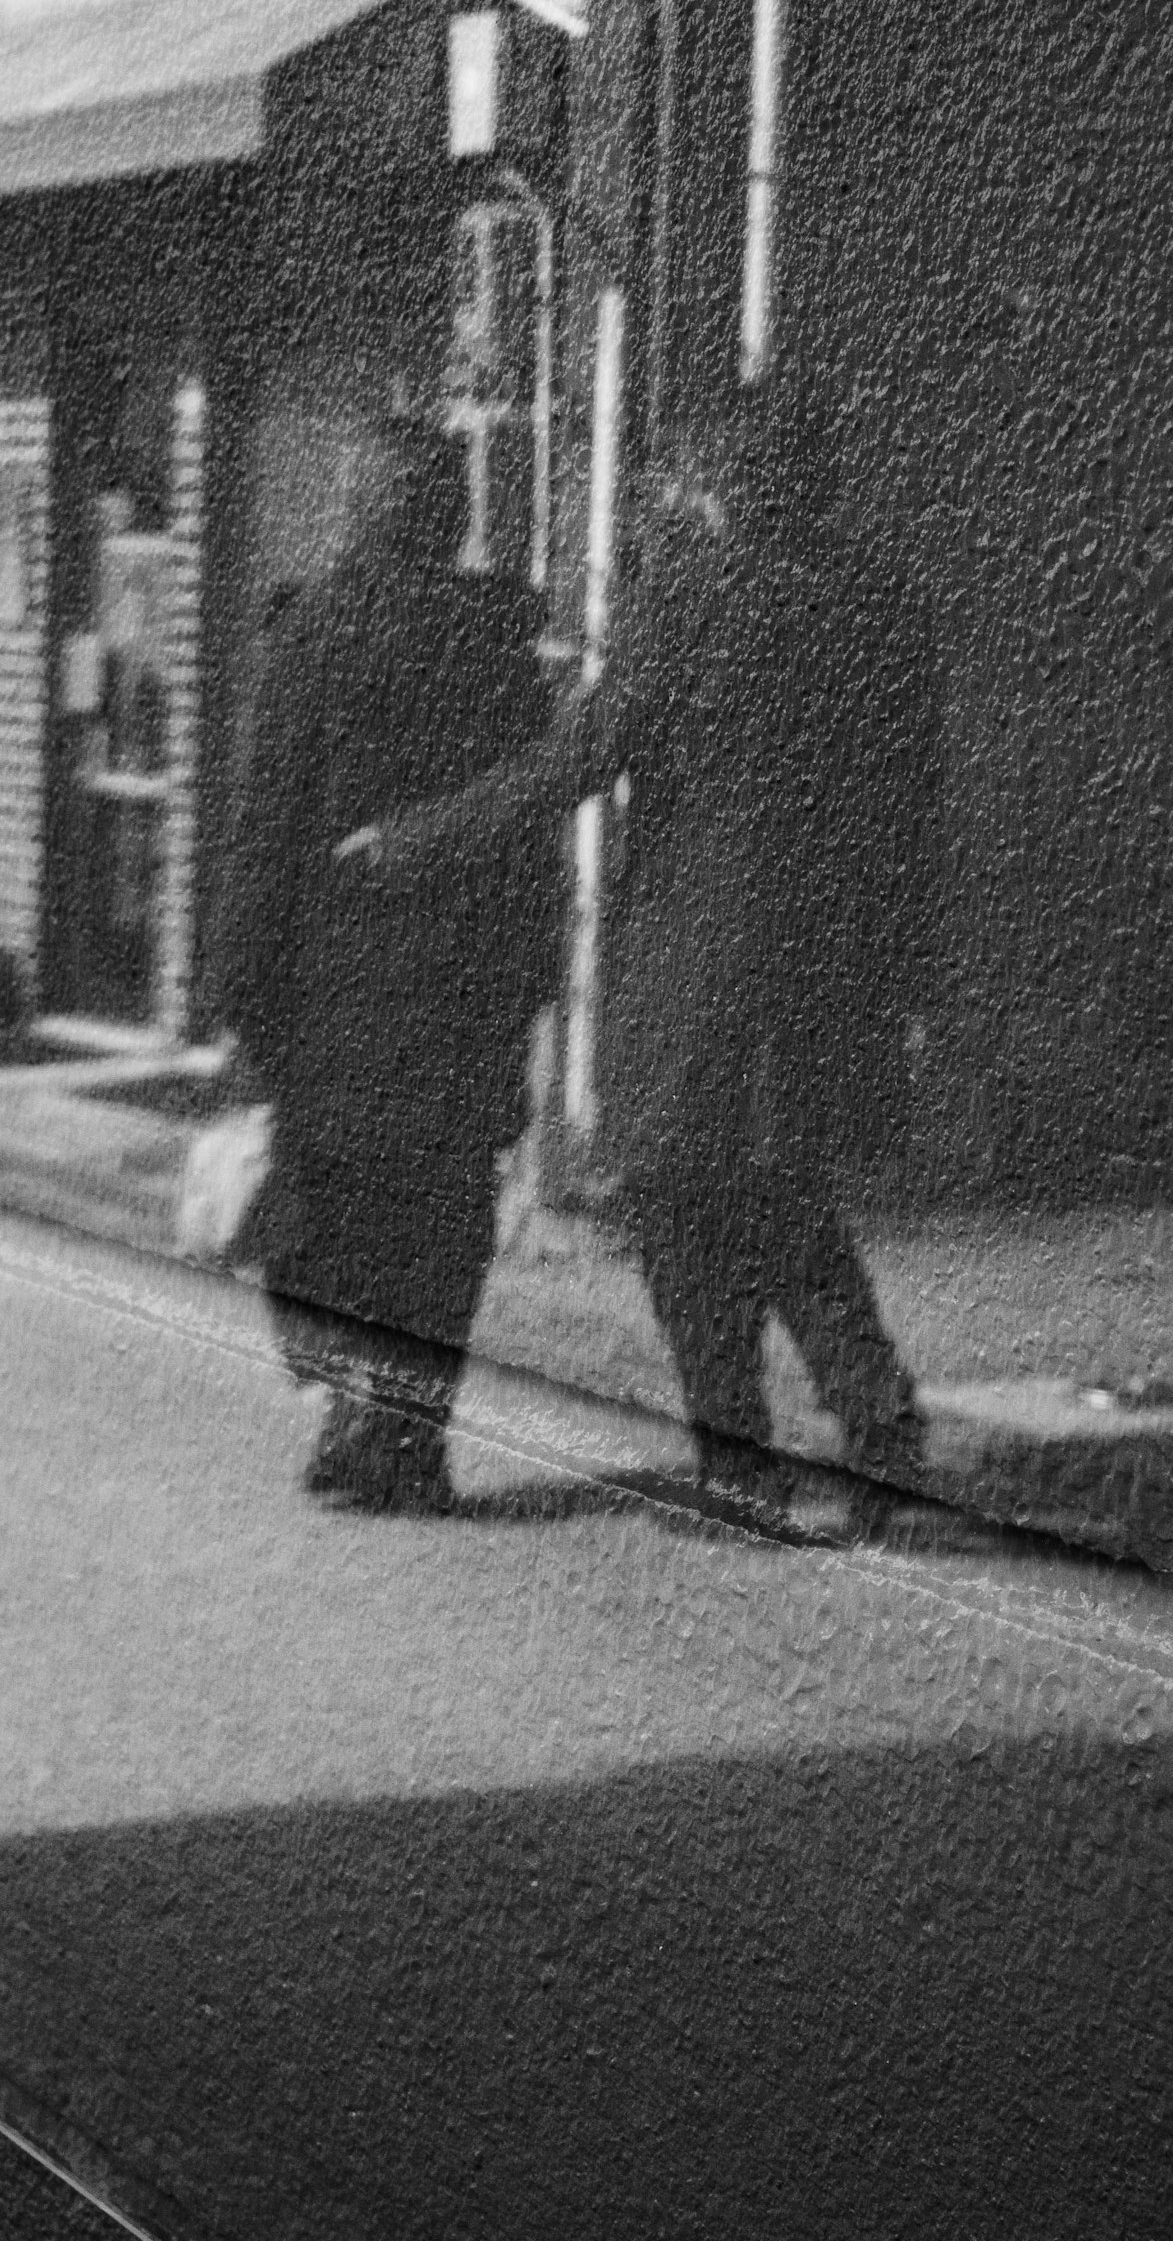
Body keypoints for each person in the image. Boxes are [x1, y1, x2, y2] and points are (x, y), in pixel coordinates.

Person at [336, 400, 932, 1532]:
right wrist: (909, 987)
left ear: (725, 486)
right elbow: (917, 812)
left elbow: (577, 759)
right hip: (829, 974)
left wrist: (414, 840)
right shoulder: (886, 610)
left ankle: (741, 1463)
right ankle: (881, 1432)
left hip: (697, 976)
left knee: (677, 1207)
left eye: (698, 482)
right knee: (785, 1196)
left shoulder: (697, 600)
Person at [209, 415, 558, 1512]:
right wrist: (530, 979)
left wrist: (242, 989)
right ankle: (411, 1438)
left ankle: (350, 1409)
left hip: (335, 997)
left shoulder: (310, 633)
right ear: (450, 513)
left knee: (327, 1218)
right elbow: (528, 825)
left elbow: (265, 829)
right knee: (445, 1226)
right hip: (465, 991)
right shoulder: (502, 639)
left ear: (357, 506)